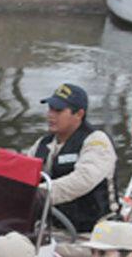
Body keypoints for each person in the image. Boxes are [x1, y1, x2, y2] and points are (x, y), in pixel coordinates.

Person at [27, 82, 117, 234]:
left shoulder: (97, 142)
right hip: (52, 229)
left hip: (92, 233)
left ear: (79, 114)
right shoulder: (42, 144)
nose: (50, 115)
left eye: (58, 110)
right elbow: (24, 172)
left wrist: (38, 194)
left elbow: (82, 180)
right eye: (50, 109)